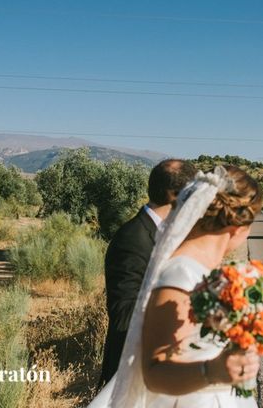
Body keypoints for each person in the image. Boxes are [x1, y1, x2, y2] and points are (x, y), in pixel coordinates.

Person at [89, 165, 263, 408]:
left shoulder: (203, 271)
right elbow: (154, 372)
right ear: (239, 228)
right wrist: (213, 371)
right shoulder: (182, 272)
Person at [99, 158, 196, 386]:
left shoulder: (168, 235)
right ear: (176, 196)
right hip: (133, 371)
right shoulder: (132, 239)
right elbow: (122, 315)